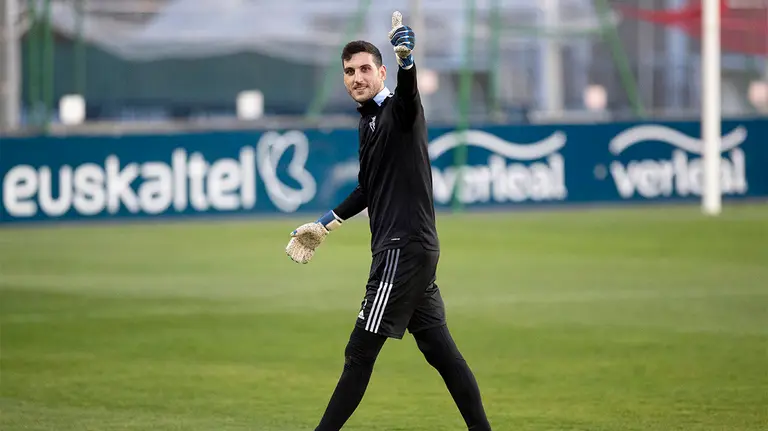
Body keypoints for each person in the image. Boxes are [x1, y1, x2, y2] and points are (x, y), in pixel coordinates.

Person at [285, 11, 492, 431]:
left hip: (401, 250)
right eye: (349, 71)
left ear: (382, 73)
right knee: (441, 352)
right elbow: (368, 187)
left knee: (359, 353)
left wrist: (407, 61)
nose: (357, 77)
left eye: (365, 69)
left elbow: (410, 96)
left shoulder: (398, 110)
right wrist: (324, 224)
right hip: (411, 249)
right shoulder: (368, 122)